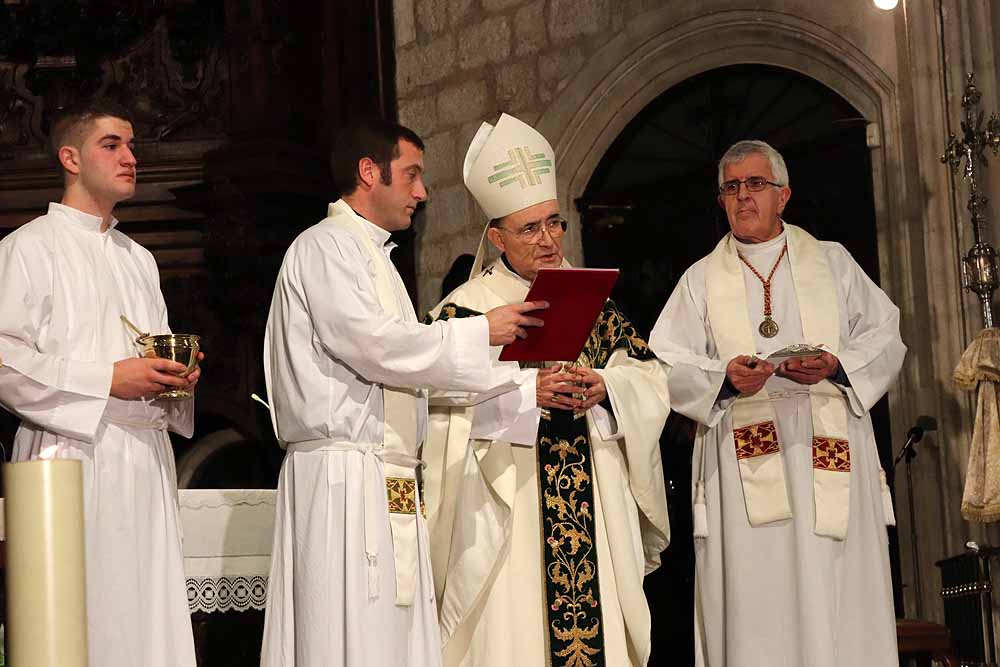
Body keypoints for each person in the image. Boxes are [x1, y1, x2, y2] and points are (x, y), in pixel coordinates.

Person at [260, 118, 545, 667]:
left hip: (385, 474)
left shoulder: (375, 257)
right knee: (346, 633)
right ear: (370, 172)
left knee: (391, 633)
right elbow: (374, 344)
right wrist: (483, 329)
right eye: (411, 175)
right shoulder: (324, 247)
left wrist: (526, 381)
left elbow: (417, 363)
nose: (421, 191)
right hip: (342, 476)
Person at [423, 113, 670, 667]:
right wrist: (523, 393)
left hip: (592, 494)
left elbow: (652, 377)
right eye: (530, 229)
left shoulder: (590, 298)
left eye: (554, 223)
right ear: (496, 237)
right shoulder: (467, 312)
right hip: (509, 502)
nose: (549, 239)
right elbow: (437, 409)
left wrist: (605, 385)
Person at [649, 139, 906, 667]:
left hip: (825, 451)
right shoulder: (700, 280)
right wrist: (723, 378)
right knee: (754, 598)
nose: (744, 196)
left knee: (833, 587)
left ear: (783, 195)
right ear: (721, 200)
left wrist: (835, 365)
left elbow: (886, 335)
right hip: (743, 461)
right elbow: (665, 364)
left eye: (756, 184)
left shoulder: (832, 262)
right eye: (732, 187)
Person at [0, 97, 203, 667]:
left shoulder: (139, 258)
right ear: (70, 157)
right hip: (70, 455)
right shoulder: (27, 248)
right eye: (111, 145)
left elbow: (148, 352)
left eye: (133, 145)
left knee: (147, 617)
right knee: (83, 619)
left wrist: (176, 376)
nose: (130, 157)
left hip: (144, 456)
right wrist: (105, 380)